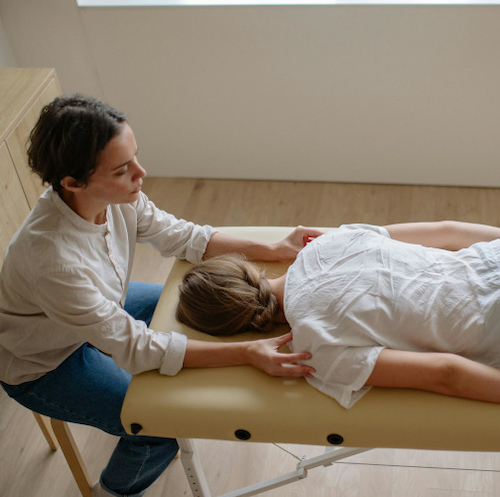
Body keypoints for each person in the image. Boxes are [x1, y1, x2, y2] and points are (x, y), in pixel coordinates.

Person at [0, 94, 321, 497]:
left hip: (98, 312)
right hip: (46, 362)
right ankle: (112, 491)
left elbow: (182, 236)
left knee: (201, 308)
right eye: (123, 169)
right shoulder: (53, 261)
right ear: (72, 182)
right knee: (160, 426)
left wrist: (274, 249)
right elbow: (138, 347)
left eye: (136, 157)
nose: (141, 172)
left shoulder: (115, 199)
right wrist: (247, 352)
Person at [177, 221, 500, 409]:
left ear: (236, 326)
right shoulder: (329, 240)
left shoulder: (316, 351)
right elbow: (450, 231)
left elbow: (446, 373)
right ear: (246, 267)